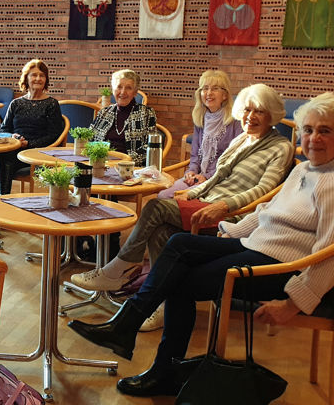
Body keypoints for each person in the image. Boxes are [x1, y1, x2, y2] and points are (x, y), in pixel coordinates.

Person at [67, 91, 334, 398]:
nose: (313, 138)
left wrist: (293, 305)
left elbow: (330, 255)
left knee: (180, 280)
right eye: (309, 130)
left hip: (281, 267)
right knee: (180, 243)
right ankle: (132, 329)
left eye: (325, 130)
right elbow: (267, 211)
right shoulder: (304, 169)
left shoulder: (331, 183)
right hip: (257, 246)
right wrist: (229, 231)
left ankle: (150, 356)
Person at [71, 84, 295, 330]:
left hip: (231, 215)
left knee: (155, 207)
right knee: (162, 232)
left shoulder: (280, 147)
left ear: (272, 115)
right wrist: (192, 192)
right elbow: (216, 179)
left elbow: (263, 191)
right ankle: (161, 304)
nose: (250, 117)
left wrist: (224, 204)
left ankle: (117, 269)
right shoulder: (242, 139)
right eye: (248, 110)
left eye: (259, 112)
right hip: (207, 201)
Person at [157, 70, 242, 199]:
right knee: (163, 196)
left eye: (215, 89)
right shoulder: (200, 118)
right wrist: (191, 171)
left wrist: (206, 176)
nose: (208, 93)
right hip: (198, 176)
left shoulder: (235, 121)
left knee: (175, 198)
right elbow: (195, 155)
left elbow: (233, 160)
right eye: (205, 89)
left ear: (225, 95)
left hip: (220, 179)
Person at [0, 59, 64, 196]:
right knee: (2, 154)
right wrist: (13, 137)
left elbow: (54, 135)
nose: (38, 78)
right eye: (34, 75)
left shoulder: (52, 104)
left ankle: (1, 198)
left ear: (46, 79)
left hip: (38, 153)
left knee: (4, 158)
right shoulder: (16, 103)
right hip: (15, 150)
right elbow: (4, 130)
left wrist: (29, 144)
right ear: (26, 78)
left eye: (42, 75)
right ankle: (3, 197)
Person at [90, 69, 157, 166]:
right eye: (119, 87)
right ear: (113, 90)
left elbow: (150, 147)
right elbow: (90, 139)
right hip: (101, 165)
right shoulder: (104, 113)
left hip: (130, 168)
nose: (123, 92)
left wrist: (125, 162)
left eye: (129, 88)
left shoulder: (146, 113)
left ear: (135, 92)